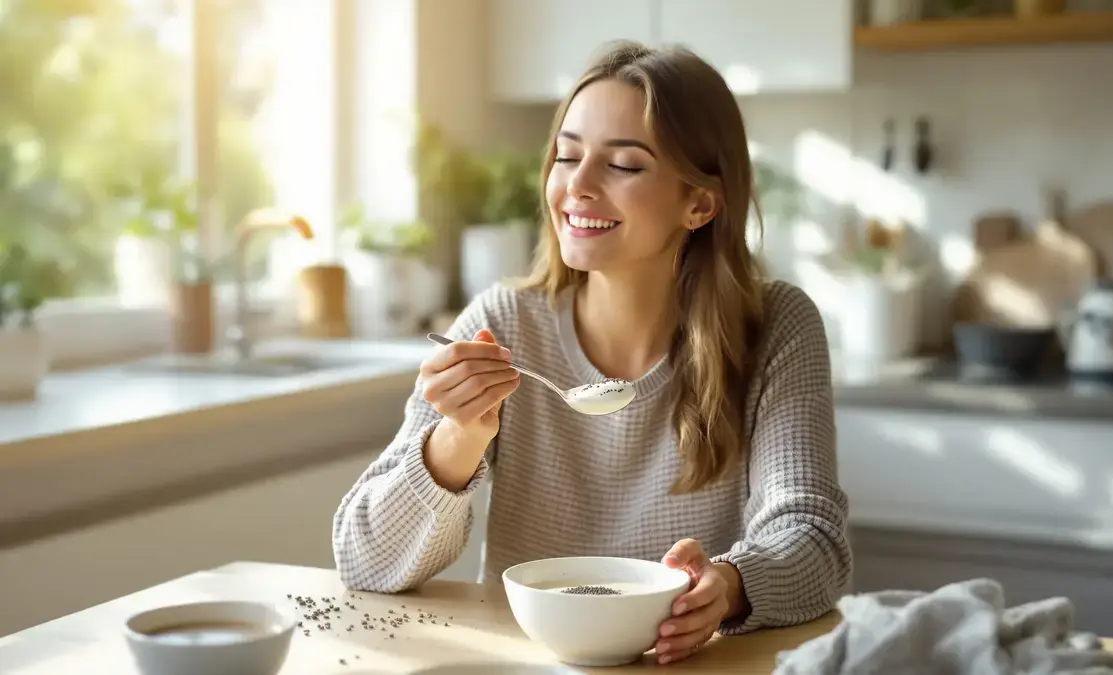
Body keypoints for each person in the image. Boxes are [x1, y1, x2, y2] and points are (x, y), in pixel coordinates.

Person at [332, 40, 853, 665]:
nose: (576, 186)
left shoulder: (775, 328)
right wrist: (457, 437)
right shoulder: (501, 326)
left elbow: (814, 538)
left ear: (699, 203)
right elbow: (364, 560)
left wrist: (733, 585)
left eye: (624, 166)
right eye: (566, 155)